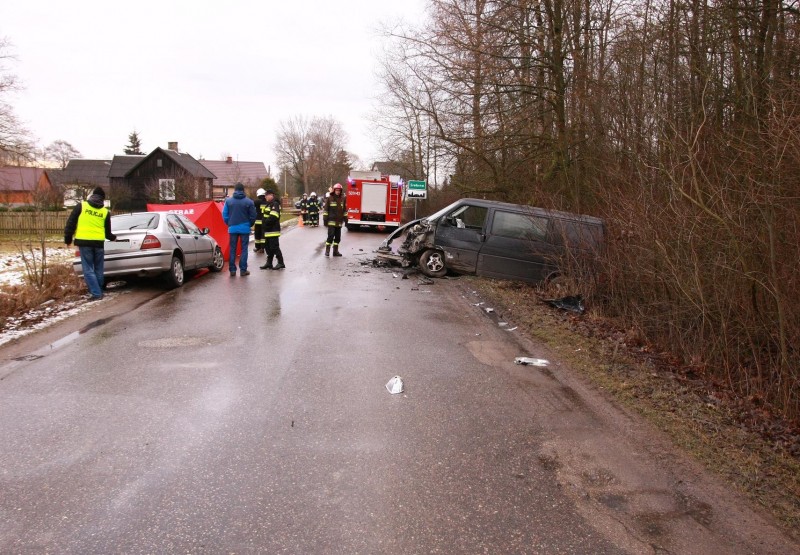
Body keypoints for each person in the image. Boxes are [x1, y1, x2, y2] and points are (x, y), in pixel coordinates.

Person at [64, 187, 116, 301]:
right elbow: (108, 234)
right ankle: (99, 291)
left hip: (84, 242)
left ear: (92, 195)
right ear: (103, 199)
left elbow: (71, 223)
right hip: (99, 244)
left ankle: (96, 294)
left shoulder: (81, 206)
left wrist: (67, 239)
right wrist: (114, 238)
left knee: (88, 269)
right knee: (98, 269)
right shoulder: (105, 212)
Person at [222, 182, 257, 276]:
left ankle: (232, 270)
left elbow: (224, 215)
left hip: (232, 228)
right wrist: (250, 224)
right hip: (245, 228)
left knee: (232, 249)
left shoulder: (228, 201)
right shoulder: (249, 202)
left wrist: (229, 223)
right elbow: (253, 215)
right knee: (244, 249)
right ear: (243, 190)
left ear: (235, 190)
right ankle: (243, 270)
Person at [259, 189, 286, 270]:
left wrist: (266, 223)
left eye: (267, 195)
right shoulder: (269, 204)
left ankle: (281, 262)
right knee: (268, 247)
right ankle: (269, 263)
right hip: (268, 231)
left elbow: (274, 216)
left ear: (272, 195)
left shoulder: (275, 204)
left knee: (274, 247)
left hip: (273, 230)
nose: (266, 197)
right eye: (265, 195)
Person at [323, 182, 347, 257]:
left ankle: (335, 251)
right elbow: (326, 210)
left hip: (339, 222)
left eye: (339, 190)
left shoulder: (342, 199)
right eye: (336, 190)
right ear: (334, 190)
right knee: (330, 236)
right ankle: (327, 251)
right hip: (331, 221)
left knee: (338, 238)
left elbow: (344, 210)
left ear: (341, 191)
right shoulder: (330, 198)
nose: (338, 192)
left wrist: (346, 220)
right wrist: (325, 220)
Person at [253, 188, 267, 253]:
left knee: (257, 235)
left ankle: (257, 247)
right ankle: (262, 248)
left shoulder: (256, 202)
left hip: (258, 222)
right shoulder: (267, 202)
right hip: (265, 222)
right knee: (263, 235)